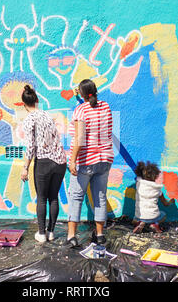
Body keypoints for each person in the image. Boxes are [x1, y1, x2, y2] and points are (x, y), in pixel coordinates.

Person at [66, 79, 113, 247]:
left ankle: (71, 236)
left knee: (76, 196)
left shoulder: (80, 110)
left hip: (86, 161)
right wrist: (82, 93)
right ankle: (100, 235)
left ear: (82, 93)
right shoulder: (105, 107)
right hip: (105, 159)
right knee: (100, 197)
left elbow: (80, 138)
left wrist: (72, 160)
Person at [20, 85, 67, 243]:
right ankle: (51, 232)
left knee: (41, 198)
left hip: (44, 162)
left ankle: (41, 234)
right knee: (53, 198)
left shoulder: (29, 119)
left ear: (23, 104)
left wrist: (25, 167)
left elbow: (30, 146)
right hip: (60, 161)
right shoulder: (47, 115)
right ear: (37, 100)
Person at [132, 161, 175, 233]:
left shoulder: (138, 185)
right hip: (152, 217)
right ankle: (155, 224)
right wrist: (171, 201)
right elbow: (165, 204)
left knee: (136, 217)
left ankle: (139, 223)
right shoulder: (158, 190)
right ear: (155, 176)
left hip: (139, 215)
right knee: (163, 215)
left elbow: (138, 177)